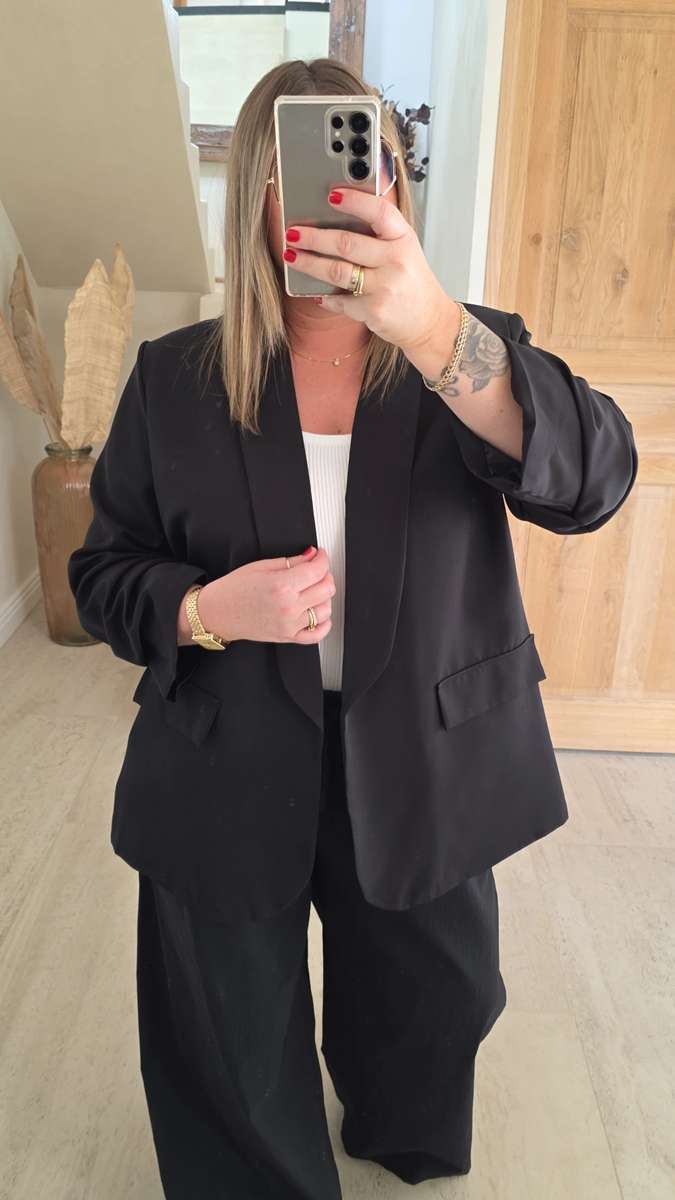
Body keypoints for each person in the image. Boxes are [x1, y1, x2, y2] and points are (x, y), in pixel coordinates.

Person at [68, 56, 638, 1200]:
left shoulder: (464, 355)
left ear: (393, 185)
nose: (339, 193)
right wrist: (208, 610)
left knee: (434, 1010)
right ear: (258, 193)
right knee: (230, 1032)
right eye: (306, 165)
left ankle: (395, 1122)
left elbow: (596, 481)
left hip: (428, 750)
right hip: (226, 752)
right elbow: (101, 576)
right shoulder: (175, 380)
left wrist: (432, 327)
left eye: (361, 161)